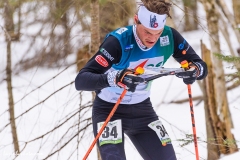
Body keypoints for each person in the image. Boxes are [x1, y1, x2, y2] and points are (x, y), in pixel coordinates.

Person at [75, 0, 208, 159]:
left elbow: (200, 65)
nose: (153, 38)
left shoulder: (169, 36)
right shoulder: (118, 41)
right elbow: (81, 80)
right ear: (136, 20)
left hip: (143, 111)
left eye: (157, 32)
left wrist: (194, 71)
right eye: (147, 32)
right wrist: (116, 78)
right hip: (109, 110)